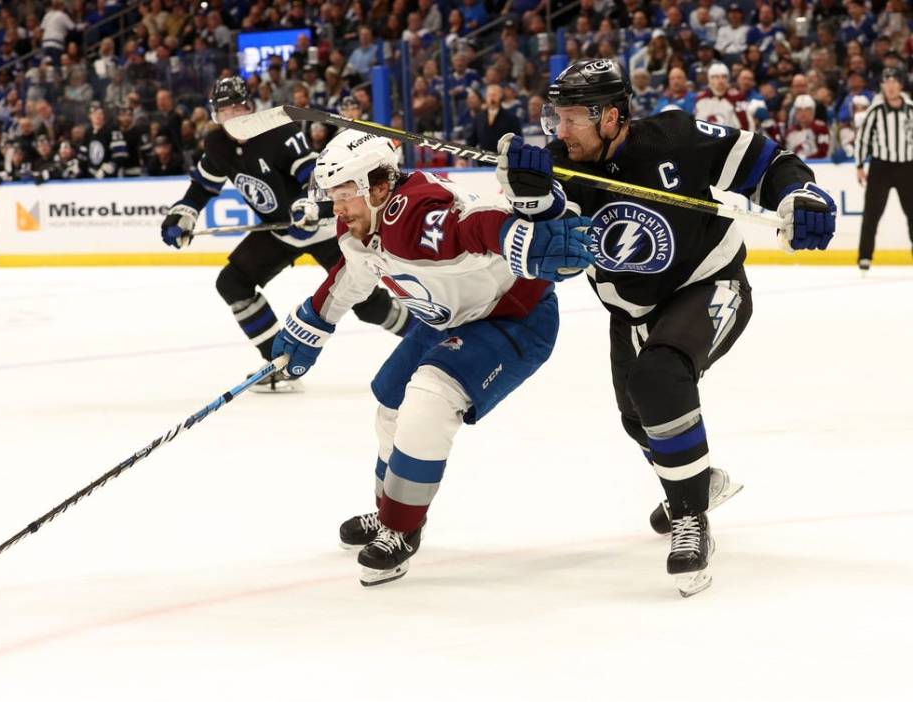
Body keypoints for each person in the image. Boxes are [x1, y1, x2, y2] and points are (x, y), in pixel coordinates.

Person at [496, 58, 836, 596]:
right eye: (554, 118)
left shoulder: (676, 137)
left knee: (659, 378)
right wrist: (528, 194)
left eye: (570, 119)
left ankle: (689, 516)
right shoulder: (557, 165)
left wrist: (801, 194)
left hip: (707, 284)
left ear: (611, 116)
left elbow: (768, 161)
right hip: (629, 311)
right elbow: (546, 246)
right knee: (640, 419)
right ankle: (698, 483)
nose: (558, 131)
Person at [269, 128, 593, 585]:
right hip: (449, 318)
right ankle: (389, 513)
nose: (336, 208)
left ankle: (400, 530)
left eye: (344, 194)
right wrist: (312, 324)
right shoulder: (360, 222)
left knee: (429, 397)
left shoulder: (414, 214)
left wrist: (518, 234)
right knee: (391, 401)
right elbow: (354, 273)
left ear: (378, 186)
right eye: (332, 195)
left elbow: (470, 224)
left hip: (513, 318)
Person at [160, 77, 413, 392]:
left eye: (239, 107)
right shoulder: (217, 145)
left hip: (320, 227)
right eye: (226, 110)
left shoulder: (278, 132)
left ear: (250, 107)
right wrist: (183, 213)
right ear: (215, 115)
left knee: (368, 306)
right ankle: (279, 363)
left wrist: (309, 204)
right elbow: (202, 187)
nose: (233, 115)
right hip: (281, 230)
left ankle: (426, 336)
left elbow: (315, 176)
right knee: (232, 282)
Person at [853, 67, 913, 272]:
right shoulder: (876, 111)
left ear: (901, 85)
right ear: (882, 86)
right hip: (881, 168)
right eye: (886, 82)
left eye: (894, 82)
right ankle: (864, 257)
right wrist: (860, 165)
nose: (891, 86)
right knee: (871, 214)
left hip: (908, 167)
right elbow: (863, 139)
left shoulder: (911, 109)